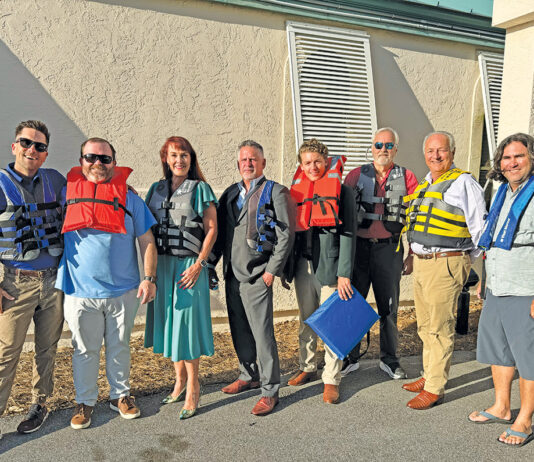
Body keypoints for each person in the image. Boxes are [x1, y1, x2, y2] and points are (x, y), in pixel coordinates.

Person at [56, 137, 157, 429]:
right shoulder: (64, 195)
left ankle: (120, 396)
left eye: (105, 159)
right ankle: (85, 401)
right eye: (91, 158)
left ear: (114, 162)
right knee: (84, 350)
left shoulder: (131, 199)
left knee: (119, 346)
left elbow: (147, 240)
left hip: (123, 290)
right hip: (79, 291)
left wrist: (149, 278)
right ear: (81, 161)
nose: (98, 164)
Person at [402, 131, 486, 409]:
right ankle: (429, 375)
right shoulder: (425, 183)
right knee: (426, 326)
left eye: (442, 150)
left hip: (446, 263)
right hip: (423, 265)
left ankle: (435, 387)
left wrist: (459, 259)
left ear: (452, 152)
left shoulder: (464, 183)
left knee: (440, 327)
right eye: (430, 151)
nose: (435, 156)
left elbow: (480, 231)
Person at [213, 140, 294, 416]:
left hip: (259, 274)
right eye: (244, 160)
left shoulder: (276, 192)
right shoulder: (230, 194)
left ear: (263, 163)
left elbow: (286, 235)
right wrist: (211, 265)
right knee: (239, 329)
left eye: (253, 159)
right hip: (232, 275)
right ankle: (248, 375)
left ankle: (270, 391)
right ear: (238, 165)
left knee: (262, 335)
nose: (248, 163)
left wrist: (272, 270)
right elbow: (220, 234)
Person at [468, 133, 534, 447]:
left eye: (518, 156)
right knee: (500, 350)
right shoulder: (503, 191)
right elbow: (493, 239)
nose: (512, 163)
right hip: (497, 284)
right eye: (506, 158)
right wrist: (485, 278)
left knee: (528, 356)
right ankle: (502, 406)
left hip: (525, 288)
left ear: (531, 158)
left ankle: (525, 419)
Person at [144, 136, 217, 420]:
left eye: (184, 154)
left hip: (189, 265)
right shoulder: (155, 189)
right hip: (162, 265)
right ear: (165, 158)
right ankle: (179, 381)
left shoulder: (200, 189)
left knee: (185, 327)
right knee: (170, 325)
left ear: (191, 158)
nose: (179, 160)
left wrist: (200, 264)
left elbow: (211, 229)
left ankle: (194, 387)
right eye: (174, 155)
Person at [0, 120, 65, 436]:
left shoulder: (55, 180)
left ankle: (40, 404)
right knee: (5, 352)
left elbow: (87, 194)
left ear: (46, 153)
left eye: (39, 146)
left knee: (47, 348)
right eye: (26, 143)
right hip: (15, 283)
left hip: (53, 282)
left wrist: (122, 190)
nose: (32, 150)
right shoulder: (0, 184)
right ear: (14, 146)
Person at [283, 138, 356, 404]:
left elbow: (349, 234)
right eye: (307, 162)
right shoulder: (297, 191)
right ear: (301, 166)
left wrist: (344, 272)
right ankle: (307, 366)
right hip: (303, 266)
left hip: (331, 267)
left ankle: (332, 379)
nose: (313, 167)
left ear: (326, 161)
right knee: (306, 319)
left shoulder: (343, 191)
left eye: (317, 161)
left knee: (331, 325)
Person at [342, 127, 418, 379]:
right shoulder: (355, 175)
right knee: (353, 304)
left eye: (388, 145)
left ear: (395, 149)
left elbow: (416, 219)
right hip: (359, 251)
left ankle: (390, 360)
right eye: (378, 145)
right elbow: (342, 216)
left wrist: (411, 254)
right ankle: (349, 358)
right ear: (371, 147)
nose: (382, 150)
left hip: (390, 250)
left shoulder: (407, 177)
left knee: (389, 307)